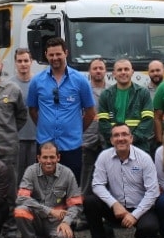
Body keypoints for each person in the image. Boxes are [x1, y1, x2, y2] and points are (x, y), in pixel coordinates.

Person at [86, 123, 161, 238]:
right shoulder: (104, 157)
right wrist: (114, 204)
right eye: (116, 135)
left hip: (140, 208)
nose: (120, 138)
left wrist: (134, 215)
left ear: (131, 138)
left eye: (124, 134)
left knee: (150, 227)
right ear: (111, 140)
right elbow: (97, 185)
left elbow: (153, 192)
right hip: (116, 209)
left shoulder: (144, 158)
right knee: (90, 201)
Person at [27, 38, 97, 179]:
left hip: (71, 146)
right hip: (45, 146)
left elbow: (90, 112)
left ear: (66, 53)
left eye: (58, 54)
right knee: (44, 186)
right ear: (46, 55)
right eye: (51, 55)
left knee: (71, 186)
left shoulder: (80, 80)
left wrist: (76, 130)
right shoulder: (36, 81)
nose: (55, 58)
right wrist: (45, 126)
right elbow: (33, 110)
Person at [14, 142, 82, 238]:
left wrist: (66, 222)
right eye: (45, 157)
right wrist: (49, 211)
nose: (48, 161)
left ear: (58, 157)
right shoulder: (31, 171)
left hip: (56, 222)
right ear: (38, 158)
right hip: (37, 219)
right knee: (20, 211)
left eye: (52, 157)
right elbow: (21, 198)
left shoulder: (67, 174)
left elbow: (75, 204)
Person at [98, 58, 155, 150]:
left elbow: (148, 121)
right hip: (113, 147)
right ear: (114, 74)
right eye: (119, 70)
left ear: (132, 72)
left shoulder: (143, 93)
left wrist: (132, 139)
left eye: (126, 69)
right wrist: (117, 139)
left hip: (139, 146)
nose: (123, 72)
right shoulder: (105, 95)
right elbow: (103, 123)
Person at [80, 58, 110, 193]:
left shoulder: (112, 91)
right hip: (87, 139)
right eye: (95, 68)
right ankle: (83, 202)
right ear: (89, 71)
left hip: (107, 140)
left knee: (108, 176)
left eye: (101, 68)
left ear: (106, 71)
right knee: (85, 175)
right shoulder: (82, 91)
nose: (98, 71)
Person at [12, 48, 38, 175]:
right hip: (16, 139)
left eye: (26, 61)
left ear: (31, 61)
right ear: (15, 63)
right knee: (17, 176)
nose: (23, 64)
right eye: (20, 61)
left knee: (35, 176)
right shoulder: (9, 85)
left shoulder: (39, 83)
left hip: (37, 138)